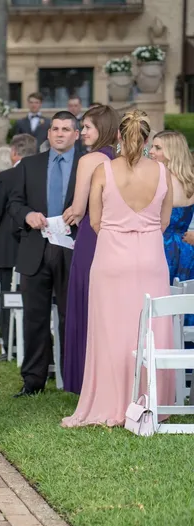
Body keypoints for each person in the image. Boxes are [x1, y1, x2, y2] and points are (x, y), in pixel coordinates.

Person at [62, 111, 176, 427]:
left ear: (118, 138)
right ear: (146, 137)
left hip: (111, 259)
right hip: (151, 260)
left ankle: (110, 403)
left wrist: (119, 231)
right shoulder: (162, 172)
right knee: (151, 328)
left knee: (111, 331)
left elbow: (95, 221)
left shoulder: (103, 170)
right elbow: (164, 221)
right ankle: (151, 401)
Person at [8, 111, 81, 397]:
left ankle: (74, 379)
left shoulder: (87, 167)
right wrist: (27, 215)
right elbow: (13, 203)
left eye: (66, 129)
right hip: (35, 248)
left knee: (71, 316)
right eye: (55, 129)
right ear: (48, 133)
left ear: (76, 134)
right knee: (35, 318)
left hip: (73, 249)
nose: (60, 134)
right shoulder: (29, 165)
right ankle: (33, 381)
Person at [60, 105, 120, 394]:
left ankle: (85, 379)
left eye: (87, 127)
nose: (81, 132)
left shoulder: (90, 159)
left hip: (90, 239)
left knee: (87, 302)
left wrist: (67, 214)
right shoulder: (121, 160)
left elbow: (78, 208)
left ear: (103, 130)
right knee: (112, 308)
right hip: (116, 238)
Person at [0, 134, 37, 359]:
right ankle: (31, 346)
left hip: (9, 248)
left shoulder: (6, 177)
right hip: (35, 247)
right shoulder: (40, 174)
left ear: (14, 153)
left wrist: (1, 236)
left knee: (9, 298)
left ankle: (10, 347)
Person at [150, 131, 194, 325]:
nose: (151, 151)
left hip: (161, 248)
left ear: (172, 152)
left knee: (161, 304)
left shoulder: (161, 181)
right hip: (186, 250)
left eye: (157, 148)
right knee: (184, 305)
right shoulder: (189, 181)